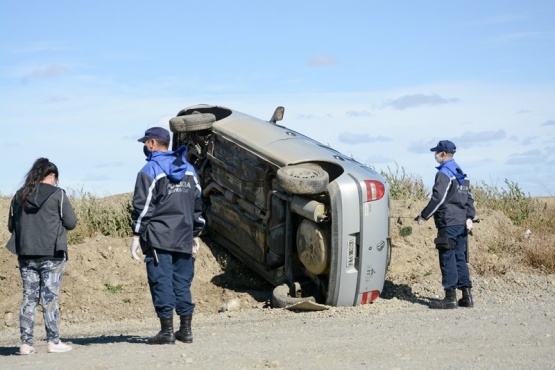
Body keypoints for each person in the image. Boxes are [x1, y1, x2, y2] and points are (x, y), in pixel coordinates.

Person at [130, 126, 205, 345]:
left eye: (146, 142)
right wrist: (195, 233)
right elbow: (198, 204)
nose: (145, 146)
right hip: (183, 235)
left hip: (159, 237)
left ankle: (166, 332)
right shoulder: (189, 169)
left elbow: (143, 207)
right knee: (182, 282)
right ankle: (186, 330)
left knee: (161, 281)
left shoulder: (149, 170)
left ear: (153, 143)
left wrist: (136, 235)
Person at [7, 158, 77, 355]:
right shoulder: (58, 195)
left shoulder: (18, 196)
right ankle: (53, 341)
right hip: (52, 255)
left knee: (29, 298)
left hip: (26, 255)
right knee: (49, 298)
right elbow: (71, 223)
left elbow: (11, 226)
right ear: (52, 176)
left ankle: (26, 344)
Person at [415, 140, 476, 309]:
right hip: (462, 222)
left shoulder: (444, 172)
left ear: (442, 154)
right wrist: (470, 216)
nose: (435, 155)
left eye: (436, 153)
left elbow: (438, 198)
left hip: (448, 222)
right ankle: (467, 297)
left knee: (447, 257)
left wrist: (423, 215)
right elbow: (469, 199)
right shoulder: (460, 172)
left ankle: (450, 298)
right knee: (460, 258)